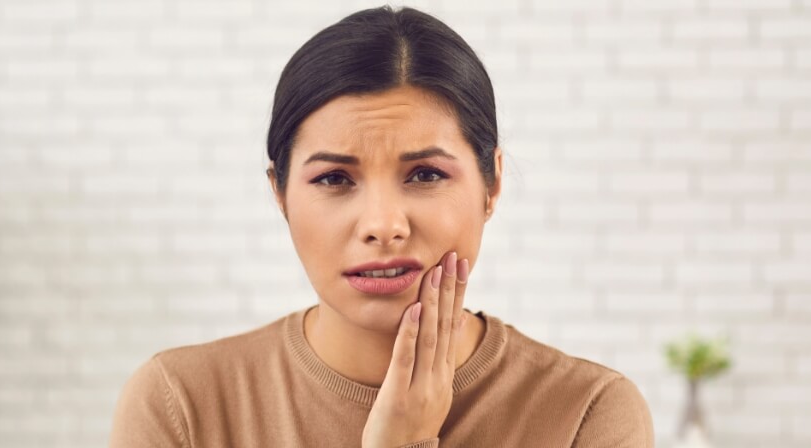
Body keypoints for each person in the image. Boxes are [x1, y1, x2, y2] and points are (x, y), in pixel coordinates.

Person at [110, 6, 654, 447]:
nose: (383, 226)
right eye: (333, 179)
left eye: (424, 173)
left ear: (492, 184)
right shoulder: (181, 405)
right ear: (280, 194)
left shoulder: (588, 415)